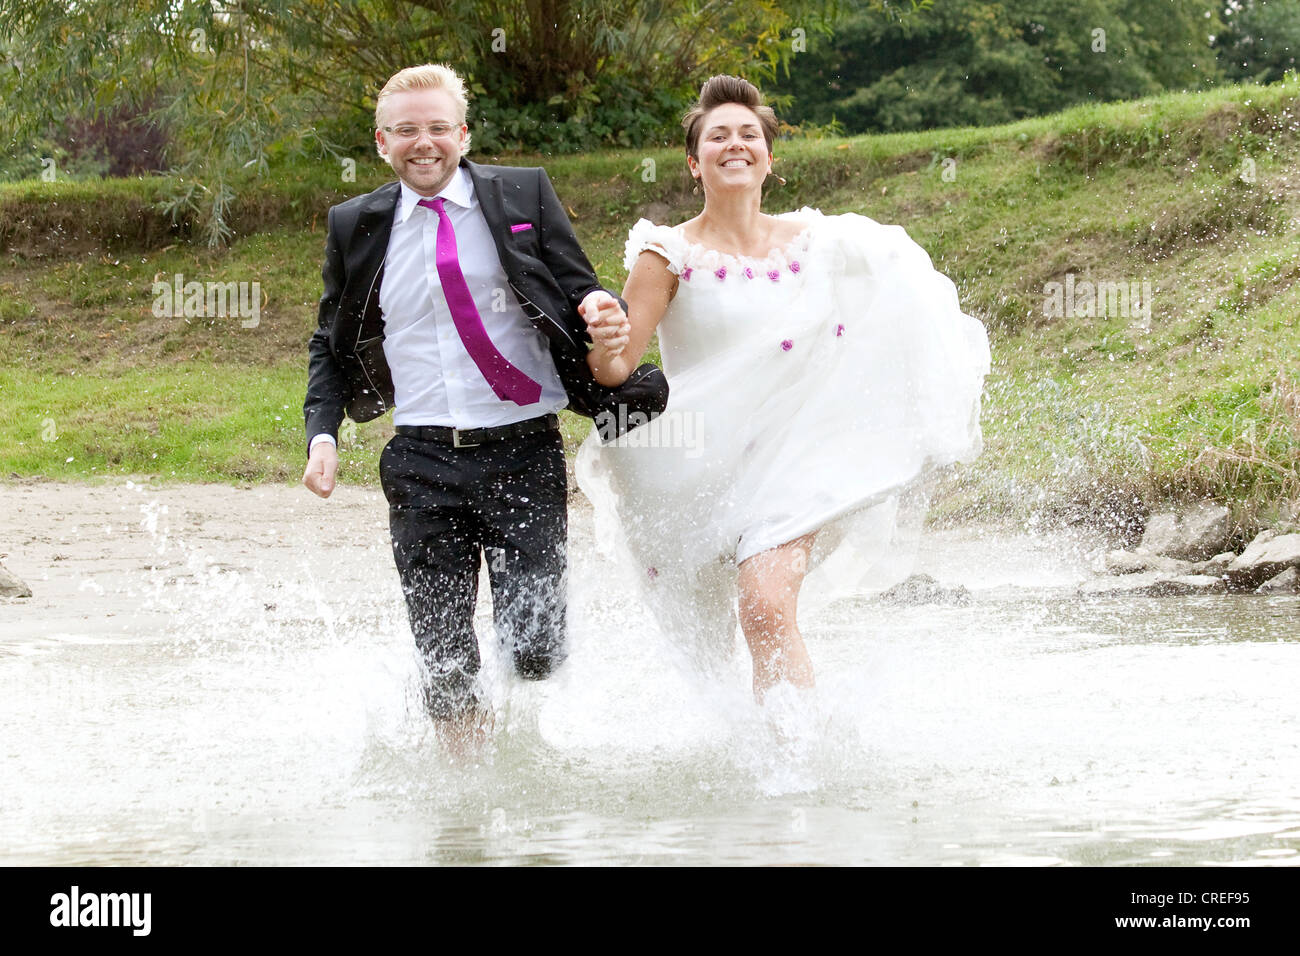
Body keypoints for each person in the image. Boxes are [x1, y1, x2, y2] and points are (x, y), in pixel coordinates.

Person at [576, 75, 990, 702]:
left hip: (797, 461)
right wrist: (606, 339)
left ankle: (792, 767)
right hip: (696, 464)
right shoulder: (665, 253)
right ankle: (736, 752)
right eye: (718, 136)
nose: (734, 144)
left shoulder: (823, 240)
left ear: (770, 157)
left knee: (765, 607)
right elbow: (615, 371)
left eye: (749, 134)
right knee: (705, 641)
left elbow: (902, 294)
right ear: (695, 161)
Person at [302, 64, 666, 754]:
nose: (424, 142)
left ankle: (526, 752)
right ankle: (467, 793)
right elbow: (329, 339)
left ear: (462, 134)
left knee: (534, 650)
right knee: (442, 652)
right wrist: (323, 433)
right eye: (406, 130)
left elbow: (579, 285)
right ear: (383, 142)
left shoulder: (521, 193)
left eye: (438, 127)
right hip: (420, 459)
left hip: (521, 449)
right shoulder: (355, 225)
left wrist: (596, 307)